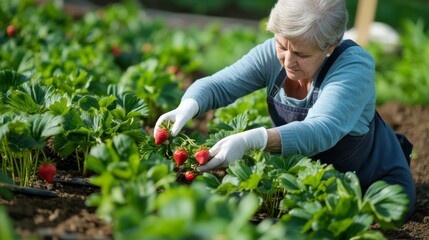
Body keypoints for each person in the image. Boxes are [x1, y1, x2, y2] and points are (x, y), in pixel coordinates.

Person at [154, 0, 416, 220]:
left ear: (331, 45)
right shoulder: (276, 53)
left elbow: (320, 130)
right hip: (306, 185)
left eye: (301, 54)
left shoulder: (352, 68)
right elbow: (220, 84)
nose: (288, 61)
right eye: (282, 46)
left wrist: (252, 139)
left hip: (371, 185)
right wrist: (187, 106)